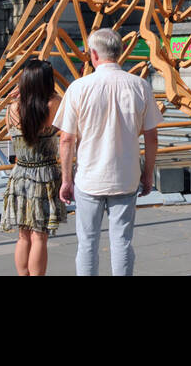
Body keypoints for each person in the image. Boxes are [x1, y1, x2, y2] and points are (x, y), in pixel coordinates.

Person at [56, 28, 161, 277]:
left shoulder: (79, 87)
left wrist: (66, 179)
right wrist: (147, 175)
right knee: (122, 241)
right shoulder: (140, 86)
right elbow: (152, 137)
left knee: (87, 243)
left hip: (89, 177)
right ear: (120, 52)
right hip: (125, 176)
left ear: (93, 54)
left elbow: (66, 139)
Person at [1, 60, 66, 275]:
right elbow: (68, 118)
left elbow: (12, 131)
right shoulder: (53, 103)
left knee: (23, 235)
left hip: (20, 174)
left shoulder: (12, 109)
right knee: (40, 235)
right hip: (45, 174)